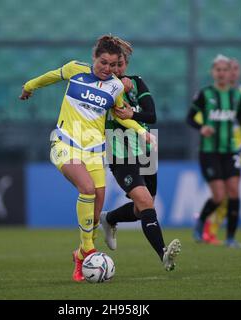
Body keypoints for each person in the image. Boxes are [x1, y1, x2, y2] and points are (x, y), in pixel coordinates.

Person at [19, 35, 153, 282]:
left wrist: (142, 132)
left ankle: (80, 257)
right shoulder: (75, 69)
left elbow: (121, 115)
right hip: (65, 144)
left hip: (95, 151)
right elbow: (50, 76)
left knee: (97, 203)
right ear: (94, 58)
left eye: (113, 65)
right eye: (103, 63)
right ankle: (89, 249)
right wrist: (29, 86)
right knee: (87, 188)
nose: (108, 69)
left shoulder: (115, 86)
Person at [100, 38, 181, 271]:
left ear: (126, 64)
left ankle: (110, 218)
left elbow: (151, 115)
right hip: (120, 153)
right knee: (145, 202)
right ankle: (164, 255)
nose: (115, 70)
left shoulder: (137, 82)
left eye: (120, 64)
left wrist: (132, 113)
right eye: (112, 65)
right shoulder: (101, 85)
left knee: (141, 209)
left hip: (146, 152)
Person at [186, 54, 241, 248]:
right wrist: (202, 128)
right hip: (209, 151)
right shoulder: (204, 94)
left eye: (225, 70)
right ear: (213, 72)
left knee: (233, 191)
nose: (222, 73)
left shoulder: (236, 96)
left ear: (229, 72)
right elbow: (190, 118)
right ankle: (201, 222)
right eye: (219, 70)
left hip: (231, 150)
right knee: (219, 196)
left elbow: (240, 117)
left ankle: (231, 237)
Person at [201, 58, 241, 244]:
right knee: (222, 194)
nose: (233, 72)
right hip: (215, 148)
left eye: (236, 69)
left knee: (231, 192)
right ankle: (209, 229)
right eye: (231, 69)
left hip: (235, 148)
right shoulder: (212, 94)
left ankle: (214, 231)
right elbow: (199, 115)